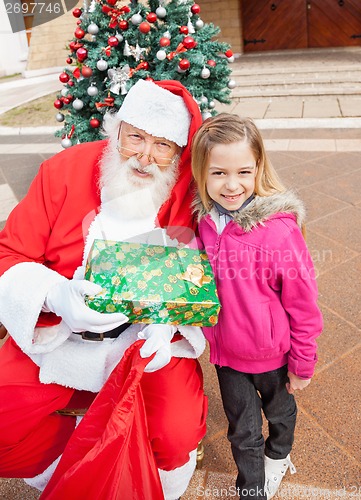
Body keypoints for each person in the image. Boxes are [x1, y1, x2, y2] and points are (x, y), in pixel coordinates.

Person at [0, 79, 208, 500]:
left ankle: (139, 480)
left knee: (177, 434)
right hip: (58, 336)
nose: (145, 157)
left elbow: (203, 273)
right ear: (117, 129)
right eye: (136, 138)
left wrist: (167, 327)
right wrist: (55, 297)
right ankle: (77, 458)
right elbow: (10, 255)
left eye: (163, 145)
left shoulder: (187, 191)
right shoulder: (63, 170)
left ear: (178, 152)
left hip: (142, 342)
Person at [191, 113, 323, 500]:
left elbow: (303, 305)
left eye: (243, 172)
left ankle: (279, 455)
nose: (232, 185)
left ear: (258, 168)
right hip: (227, 354)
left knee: (280, 414)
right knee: (242, 430)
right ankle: (251, 490)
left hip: (274, 355)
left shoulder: (279, 233)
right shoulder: (202, 222)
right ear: (202, 172)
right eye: (218, 173)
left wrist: (303, 362)